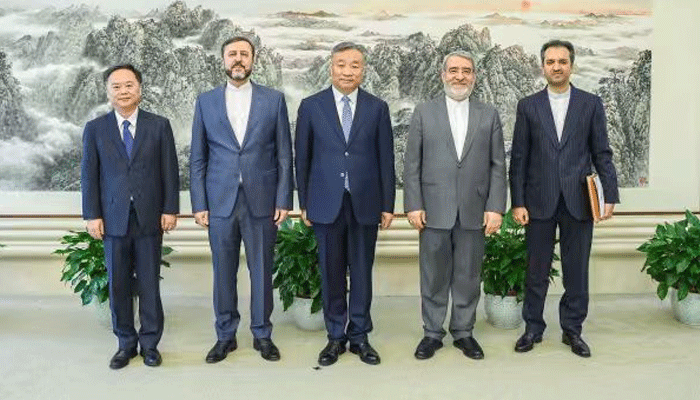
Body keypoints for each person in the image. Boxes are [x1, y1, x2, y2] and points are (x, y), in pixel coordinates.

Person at [509, 39, 619, 358]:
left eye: (562, 61)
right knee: (536, 271)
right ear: (542, 66)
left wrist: (610, 195)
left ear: (571, 65)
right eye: (550, 61)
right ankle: (533, 328)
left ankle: (572, 330)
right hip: (538, 201)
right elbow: (519, 158)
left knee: (576, 271)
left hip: (578, 201)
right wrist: (518, 202)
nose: (556, 67)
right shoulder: (528, 106)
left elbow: (602, 153)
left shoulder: (590, 104)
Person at [190, 36, 293, 363]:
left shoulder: (273, 100)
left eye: (244, 54)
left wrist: (283, 199)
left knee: (261, 271)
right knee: (223, 272)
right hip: (219, 201)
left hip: (262, 200)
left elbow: (284, 156)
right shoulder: (205, 102)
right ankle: (225, 336)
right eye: (232, 54)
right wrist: (199, 203)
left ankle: (262, 334)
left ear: (253, 59)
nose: (238, 59)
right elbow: (198, 158)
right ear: (223, 60)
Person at [295, 42, 395, 366]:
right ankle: (335, 337)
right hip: (325, 203)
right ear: (331, 68)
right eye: (341, 65)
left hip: (366, 202)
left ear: (363, 70)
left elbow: (386, 159)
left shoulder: (377, 108)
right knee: (331, 272)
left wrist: (388, 204)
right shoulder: (311, 106)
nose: (348, 71)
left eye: (355, 65)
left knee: (362, 272)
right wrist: (304, 203)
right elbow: (302, 159)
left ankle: (360, 336)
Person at [403, 51, 507, 361]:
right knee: (433, 275)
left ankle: (463, 332)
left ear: (474, 76)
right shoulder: (424, 112)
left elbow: (498, 165)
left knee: (468, 275)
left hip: (474, 209)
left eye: (466, 71)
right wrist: (413, 204)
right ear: (443, 74)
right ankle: (432, 333)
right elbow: (412, 164)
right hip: (433, 209)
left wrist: (496, 207)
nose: (459, 76)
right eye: (453, 70)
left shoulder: (489, 114)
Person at [82, 64, 179, 369]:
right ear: (108, 92)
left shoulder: (159, 125)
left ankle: (150, 344)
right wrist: (92, 215)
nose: (123, 91)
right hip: (113, 219)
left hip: (150, 217)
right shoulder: (95, 129)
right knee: (118, 285)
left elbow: (170, 172)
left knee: (149, 284)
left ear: (139, 88)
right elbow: (89, 176)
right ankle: (125, 344)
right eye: (116, 86)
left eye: (129, 85)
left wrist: (170, 209)